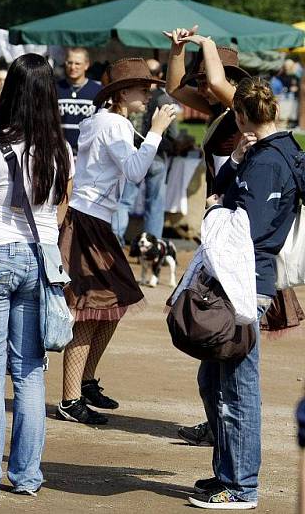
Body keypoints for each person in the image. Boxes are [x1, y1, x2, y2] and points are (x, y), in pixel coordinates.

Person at [165, 26, 305, 446]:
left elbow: (219, 83)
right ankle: (222, 425)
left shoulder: (236, 110)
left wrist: (206, 44)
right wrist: (177, 50)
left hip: (245, 234)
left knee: (232, 348)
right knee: (222, 352)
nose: (204, 88)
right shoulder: (217, 113)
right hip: (227, 228)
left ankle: (231, 430)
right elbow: (174, 87)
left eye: (208, 81)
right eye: (202, 82)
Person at [0, 53, 72, 495]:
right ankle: (26, 477)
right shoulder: (61, 151)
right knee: (30, 373)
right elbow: (60, 212)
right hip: (39, 260)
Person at [187, 77, 299, 510]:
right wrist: (234, 160)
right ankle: (227, 474)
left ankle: (241, 486)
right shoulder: (278, 151)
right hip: (248, 279)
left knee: (237, 387)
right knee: (215, 375)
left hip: (245, 281)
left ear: (240, 116)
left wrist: (216, 207)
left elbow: (245, 229)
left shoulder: (270, 160)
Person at [56, 58, 176, 425]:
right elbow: (136, 172)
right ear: (123, 93)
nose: (149, 94)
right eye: (144, 88)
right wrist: (156, 131)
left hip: (94, 221)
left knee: (115, 303)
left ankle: (86, 382)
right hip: (89, 221)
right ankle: (70, 398)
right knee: (91, 311)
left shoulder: (102, 120)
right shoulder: (115, 123)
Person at [111, 59, 178, 243]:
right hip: (153, 155)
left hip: (134, 152)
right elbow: (173, 134)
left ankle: (116, 239)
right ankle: (153, 244)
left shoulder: (134, 96)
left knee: (125, 200)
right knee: (154, 203)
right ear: (160, 75)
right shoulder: (163, 98)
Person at [56, 48, 102, 156]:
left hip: (87, 154)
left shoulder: (98, 91)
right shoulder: (55, 88)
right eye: (69, 63)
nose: (73, 67)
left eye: (77, 63)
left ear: (86, 65)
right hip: (59, 153)